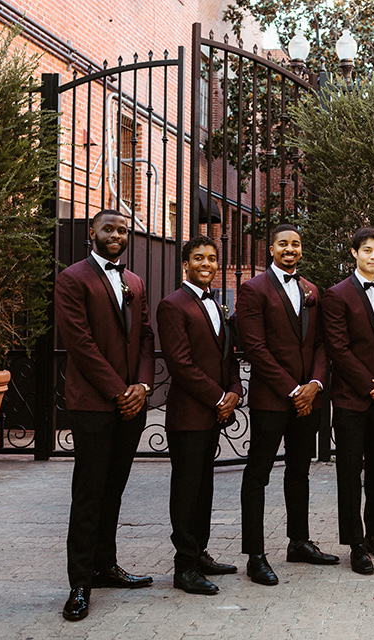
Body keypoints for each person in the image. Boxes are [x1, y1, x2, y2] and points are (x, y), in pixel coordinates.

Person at [54, 209, 155, 621]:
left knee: (114, 488)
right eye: (108, 229)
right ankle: (80, 582)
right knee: (89, 492)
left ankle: (106, 565)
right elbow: (80, 343)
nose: (116, 235)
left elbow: (146, 336)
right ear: (91, 234)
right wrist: (119, 391)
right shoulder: (72, 279)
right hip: (94, 404)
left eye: (122, 230)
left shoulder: (135, 282)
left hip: (132, 402)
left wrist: (143, 387)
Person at [236, 223, 338, 586]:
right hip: (271, 400)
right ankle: (255, 555)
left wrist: (313, 384)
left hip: (307, 400)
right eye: (283, 244)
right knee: (258, 475)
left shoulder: (311, 290)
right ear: (271, 249)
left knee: (299, 471)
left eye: (295, 244)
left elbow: (323, 343)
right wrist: (292, 389)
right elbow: (255, 347)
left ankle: (299, 542)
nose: (290, 249)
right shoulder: (253, 289)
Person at [156, 236, 243, 595]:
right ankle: (184, 567)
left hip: (213, 414)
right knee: (187, 489)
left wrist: (235, 391)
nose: (206, 264)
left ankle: (200, 552)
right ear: (185, 265)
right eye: (199, 258)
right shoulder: (172, 305)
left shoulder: (217, 303)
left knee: (205, 487)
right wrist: (218, 396)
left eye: (211, 258)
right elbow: (180, 364)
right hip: (189, 414)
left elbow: (228, 354)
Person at [323, 227, 374, 575]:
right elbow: (338, 349)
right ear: (354, 253)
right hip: (350, 400)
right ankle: (354, 544)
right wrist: (372, 387)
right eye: (368, 250)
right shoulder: (336, 295)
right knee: (348, 474)